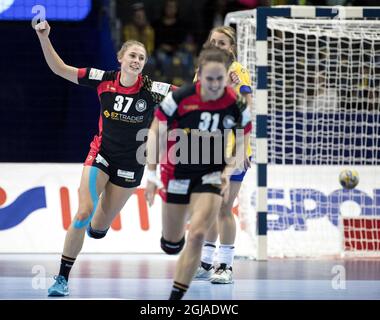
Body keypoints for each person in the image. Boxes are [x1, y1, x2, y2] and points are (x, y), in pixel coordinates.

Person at [34, 20, 173, 297]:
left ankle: (97, 228)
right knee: (83, 213)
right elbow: (60, 69)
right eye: (132, 55)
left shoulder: (152, 89)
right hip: (102, 154)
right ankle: (62, 278)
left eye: (141, 58)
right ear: (120, 58)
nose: (136, 60)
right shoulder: (103, 79)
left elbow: (190, 94)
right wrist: (44, 37)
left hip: (131, 164)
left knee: (98, 228)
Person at [145, 46, 252, 300]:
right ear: (199, 75)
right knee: (172, 244)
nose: (214, 84)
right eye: (209, 78)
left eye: (220, 78)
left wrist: (228, 170)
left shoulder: (235, 103)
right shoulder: (180, 98)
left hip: (211, 171)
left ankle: (174, 299)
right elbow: (156, 131)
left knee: (198, 235)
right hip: (178, 169)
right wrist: (151, 174)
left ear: (227, 76)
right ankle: (172, 241)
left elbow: (243, 136)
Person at [193, 26, 253, 284]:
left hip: (232, 150)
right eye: (213, 41)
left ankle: (225, 266)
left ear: (231, 48)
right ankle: (206, 261)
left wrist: (242, 148)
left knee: (225, 208)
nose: (217, 45)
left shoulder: (237, 71)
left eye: (223, 42)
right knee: (209, 208)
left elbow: (246, 111)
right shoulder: (201, 70)